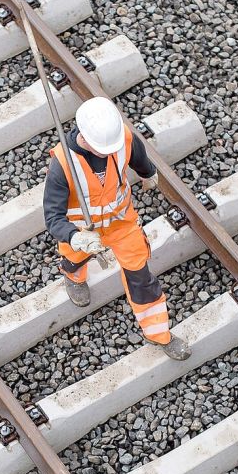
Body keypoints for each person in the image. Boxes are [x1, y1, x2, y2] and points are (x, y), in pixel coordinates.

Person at [42, 97, 191, 361]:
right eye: (102, 149)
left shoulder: (120, 138)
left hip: (122, 224)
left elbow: (137, 155)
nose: (109, 152)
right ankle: (73, 276)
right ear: (84, 139)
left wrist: (148, 173)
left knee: (141, 277)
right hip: (83, 232)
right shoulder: (63, 165)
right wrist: (75, 237)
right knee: (74, 258)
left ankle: (159, 334)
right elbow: (53, 218)